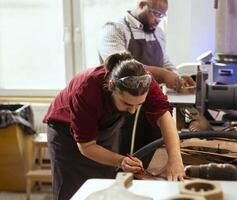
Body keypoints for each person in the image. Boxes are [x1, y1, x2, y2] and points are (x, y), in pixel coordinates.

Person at [43, 52, 185, 200]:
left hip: (105, 126)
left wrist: (175, 159)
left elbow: (164, 116)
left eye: (139, 105)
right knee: (74, 192)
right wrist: (120, 160)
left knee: (106, 186)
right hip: (66, 133)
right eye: (127, 104)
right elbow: (86, 146)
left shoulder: (143, 81)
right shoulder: (86, 89)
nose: (132, 111)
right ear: (111, 86)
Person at [98, 0, 195, 91]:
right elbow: (120, 65)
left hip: (152, 98)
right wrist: (163, 74)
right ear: (142, 5)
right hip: (121, 99)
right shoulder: (114, 29)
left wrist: (177, 77)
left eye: (162, 16)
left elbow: (163, 60)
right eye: (156, 14)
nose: (158, 20)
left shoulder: (159, 33)